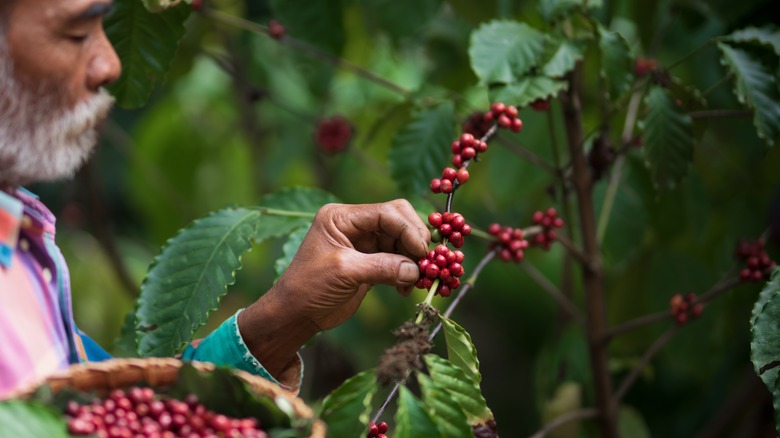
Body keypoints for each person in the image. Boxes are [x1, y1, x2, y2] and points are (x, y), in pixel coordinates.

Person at [0, 0, 430, 399]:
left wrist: (283, 319)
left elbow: (128, 416)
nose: (111, 64)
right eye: (76, 34)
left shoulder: (22, 249)